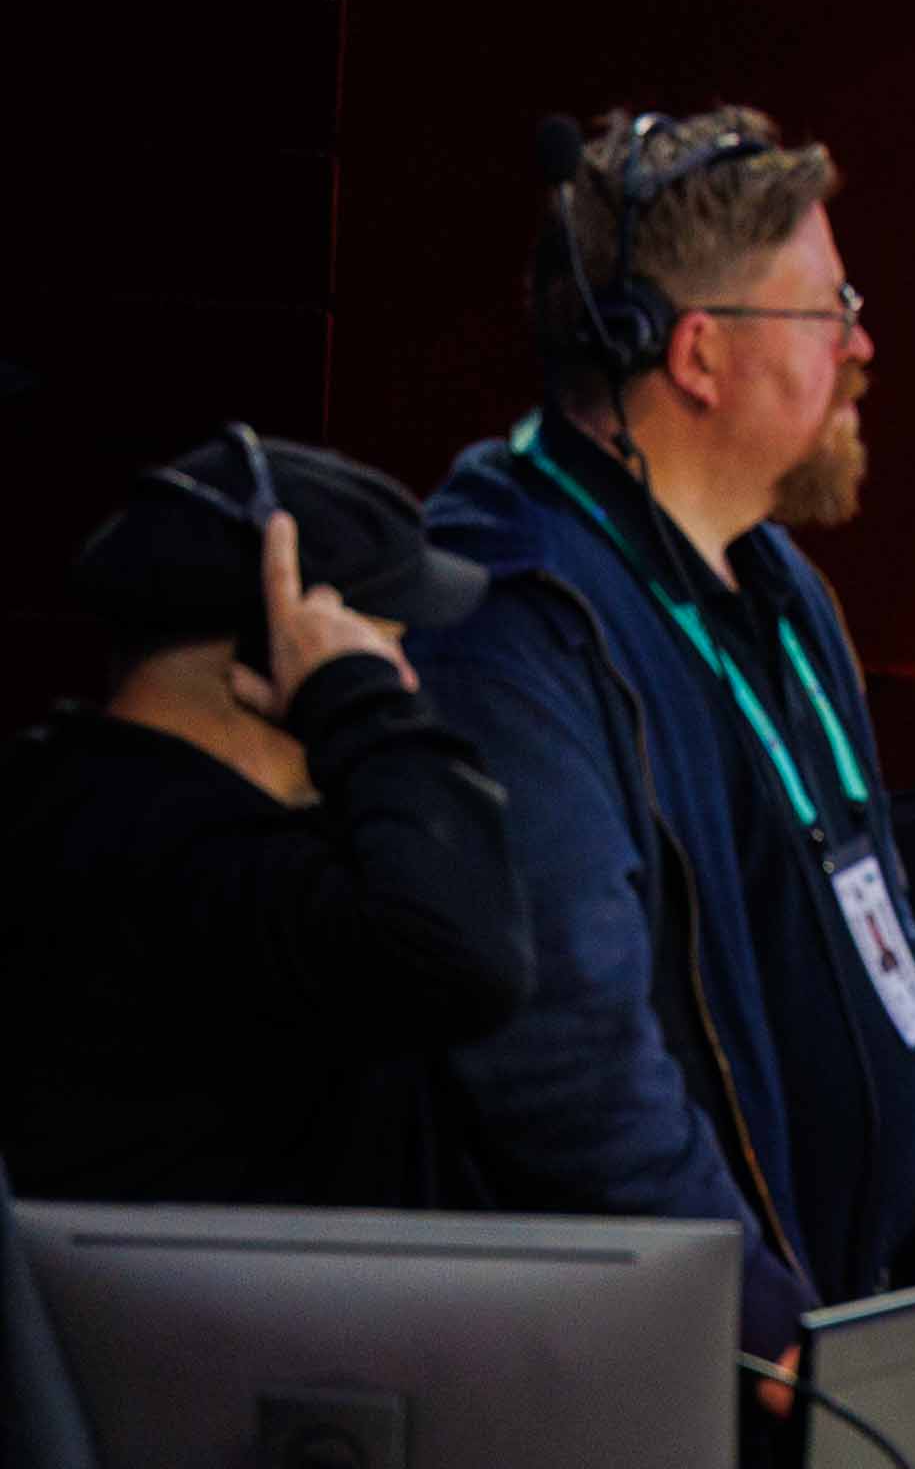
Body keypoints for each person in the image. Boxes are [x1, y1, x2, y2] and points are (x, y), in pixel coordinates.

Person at [417, 109, 915, 1378]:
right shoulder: (509, 618)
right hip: (676, 1391)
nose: (864, 345)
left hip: (848, 1346)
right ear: (695, 354)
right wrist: (765, 1339)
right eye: (827, 310)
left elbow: (889, 936)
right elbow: (570, 1058)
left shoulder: (779, 582)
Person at [1, 433, 528, 1210]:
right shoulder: (182, 860)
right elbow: (468, 961)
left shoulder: (61, 796)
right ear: (261, 657)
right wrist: (361, 702)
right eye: (378, 649)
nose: (406, 680)